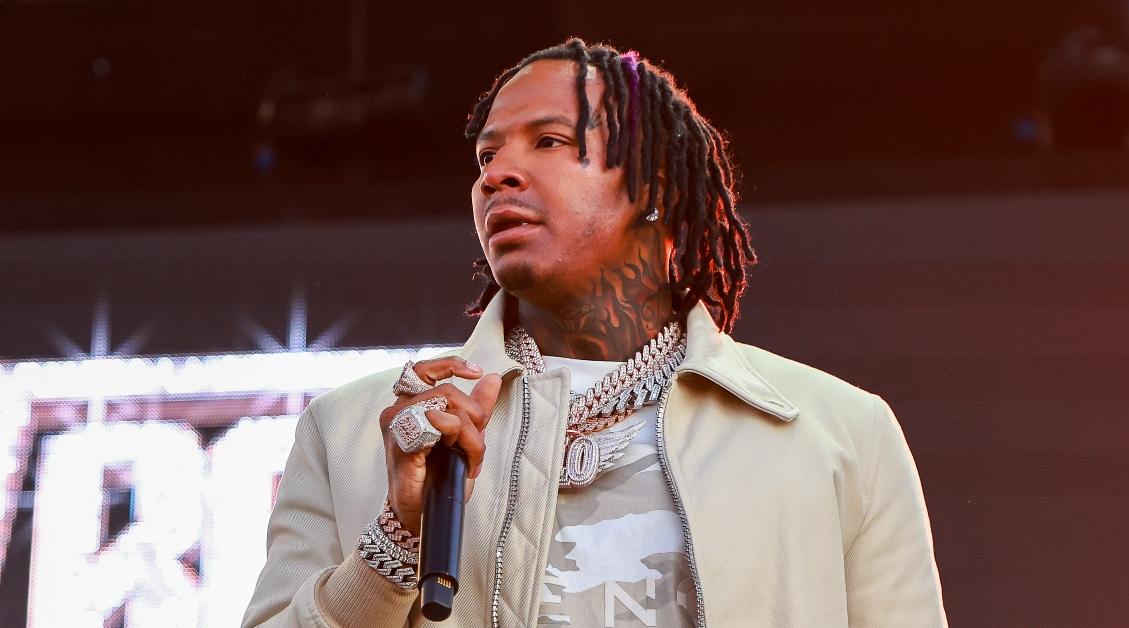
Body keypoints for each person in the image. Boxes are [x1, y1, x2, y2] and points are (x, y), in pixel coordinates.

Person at [242, 38, 946, 627]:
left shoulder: (838, 433)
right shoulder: (352, 433)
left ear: (657, 186)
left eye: (549, 141)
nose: (497, 176)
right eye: (485, 157)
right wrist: (394, 540)